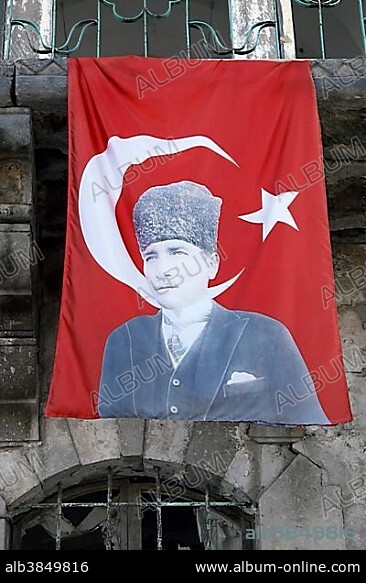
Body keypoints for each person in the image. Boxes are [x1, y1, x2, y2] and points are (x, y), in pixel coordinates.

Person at [98, 181, 330, 424]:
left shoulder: (266, 334)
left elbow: (309, 425)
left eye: (178, 252)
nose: (162, 270)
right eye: (151, 256)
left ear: (211, 264)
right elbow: (110, 431)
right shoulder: (125, 339)